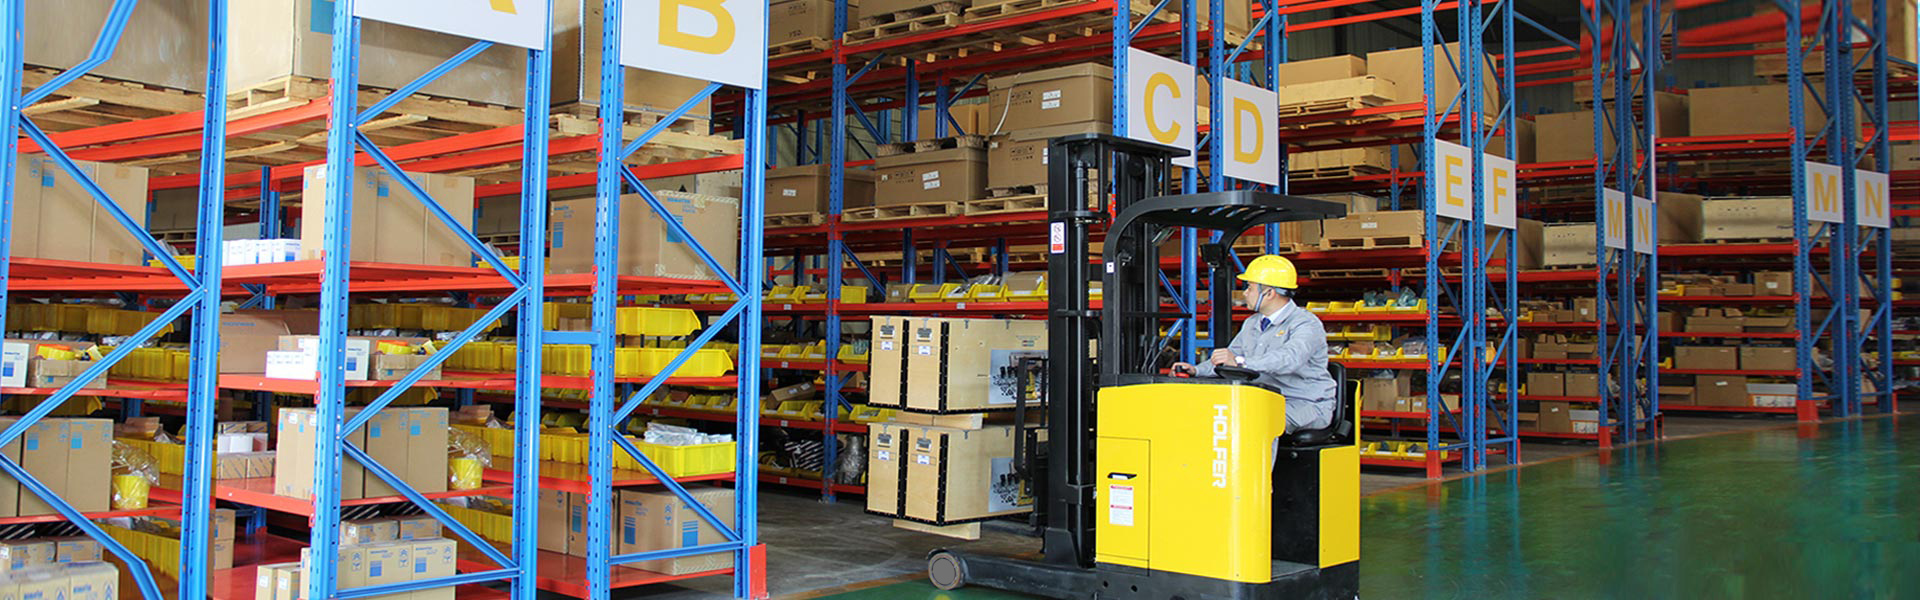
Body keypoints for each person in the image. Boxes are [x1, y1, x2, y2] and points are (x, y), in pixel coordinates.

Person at [1172, 254, 1338, 433]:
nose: (1245, 293)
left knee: (1257, 422)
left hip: (1305, 403)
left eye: (1249, 288)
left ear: (1269, 293)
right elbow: (1229, 359)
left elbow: (1290, 358)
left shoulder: (1305, 323)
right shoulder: (1252, 323)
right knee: (1210, 416)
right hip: (1263, 398)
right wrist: (1196, 371)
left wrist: (1241, 362)